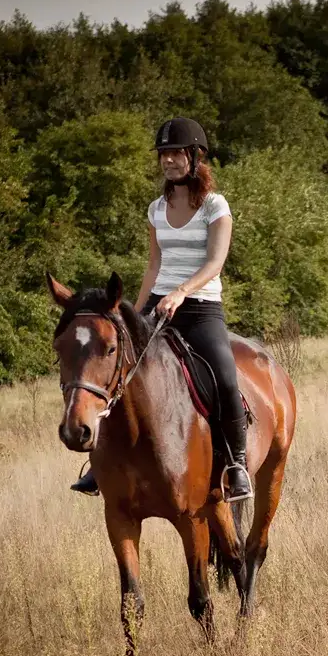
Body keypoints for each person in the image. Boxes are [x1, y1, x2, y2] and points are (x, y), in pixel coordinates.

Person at [70, 117, 253, 503]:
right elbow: (154, 267)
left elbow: (215, 263)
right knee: (117, 374)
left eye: (175, 153)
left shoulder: (216, 207)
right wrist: (128, 315)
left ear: (194, 156)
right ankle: (102, 466)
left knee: (224, 377)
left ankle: (235, 465)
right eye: (163, 155)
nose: (168, 161)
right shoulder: (156, 209)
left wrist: (182, 292)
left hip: (201, 307)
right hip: (157, 305)